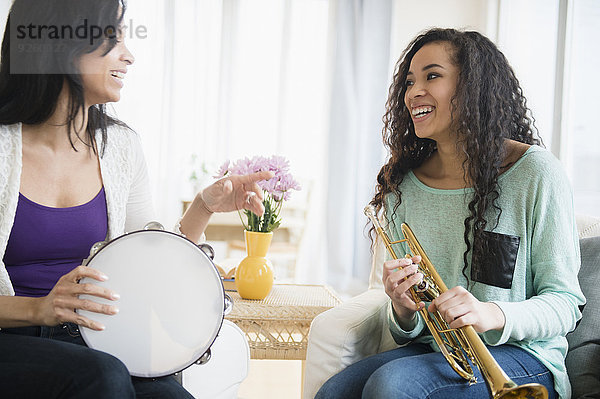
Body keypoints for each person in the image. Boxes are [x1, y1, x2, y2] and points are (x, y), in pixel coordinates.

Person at [0, 0, 272, 398]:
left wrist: (204, 207)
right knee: (104, 376)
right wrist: (40, 308)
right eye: (112, 39)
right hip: (15, 338)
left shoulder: (121, 147)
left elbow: (151, 263)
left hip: (98, 339)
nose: (129, 56)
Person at [316, 28, 584, 399]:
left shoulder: (536, 173)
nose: (414, 92)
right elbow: (407, 328)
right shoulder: (403, 185)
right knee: (334, 393)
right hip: (436, 351)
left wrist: (491, 313)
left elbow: (565, 303)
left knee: (392, 386)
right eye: (409, 81)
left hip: (524, 358)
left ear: (473, 87)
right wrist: (402, 308)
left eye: (432, 76)